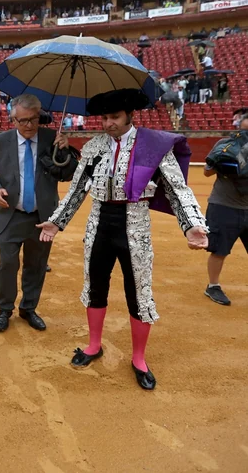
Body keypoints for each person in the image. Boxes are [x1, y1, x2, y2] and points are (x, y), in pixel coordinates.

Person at [37, 89, 209, 390]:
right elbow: (77, 190)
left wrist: (192, 225)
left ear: (130, 115)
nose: (108, 124)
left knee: (139, 290)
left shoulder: (153, 146)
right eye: (104, 118)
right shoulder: (93, 147)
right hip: (99, 223)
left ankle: (139, 358)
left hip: (135, 224)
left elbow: (176, 189)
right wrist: (56, 222)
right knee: (95, 285)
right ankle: (93, 345)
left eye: (114, 117)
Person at [0, 94, 73, 333]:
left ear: (39, 116)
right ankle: (5, 308)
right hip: (10, 214)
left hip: (42, 216)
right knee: (7, 264)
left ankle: (29, 308)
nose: (28, 125)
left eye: (33, 119)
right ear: (13, 119)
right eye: (22, 121)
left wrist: (66, 151)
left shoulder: (51, 138)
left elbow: (67, 174)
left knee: (36, 264)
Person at [202, 116, 248, 305]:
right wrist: (223, 165)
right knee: (219, 250)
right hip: (223, 206)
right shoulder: (224, 145)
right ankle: (213, 286)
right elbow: (207, 171)